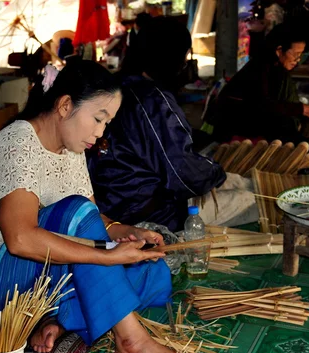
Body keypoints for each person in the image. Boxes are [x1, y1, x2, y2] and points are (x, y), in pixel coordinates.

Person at [0, 60, 196, 353]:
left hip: (35, 276)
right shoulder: (19, 144)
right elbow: (21, 239)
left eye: (107, 123)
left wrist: (125, 232)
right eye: (98, 119)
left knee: (153, 273)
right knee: (89, 236)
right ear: (65, 105)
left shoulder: (72, 149)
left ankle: (54, 321)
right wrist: (105, 258)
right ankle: (131, 342)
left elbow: (93, 220)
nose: (101, 132)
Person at [87, 19, 258, 232]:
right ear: (169, 57)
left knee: (243, 183)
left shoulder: (114, 85)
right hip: (150, 214)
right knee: (255, 200)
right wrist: (215, 173)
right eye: (184, 58)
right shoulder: (152, 99)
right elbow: (182, 170)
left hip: (113, 203)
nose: (185, 64)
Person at [212, 25, 309, 145]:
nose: (297, 60)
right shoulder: (260, 68)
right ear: (279, 51)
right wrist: (300, 109)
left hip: (254, 118)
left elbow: (280, 103)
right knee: (285, 123)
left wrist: (306, 111)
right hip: (234, 125)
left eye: (300, 55)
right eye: (295, 54)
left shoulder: (276, 69)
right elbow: (262, 105)